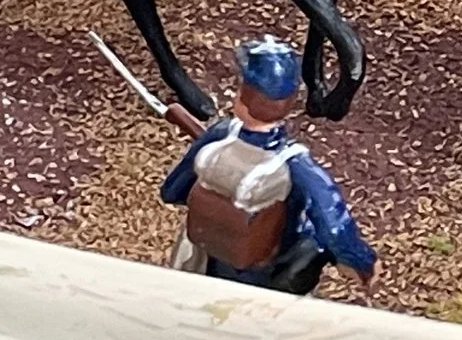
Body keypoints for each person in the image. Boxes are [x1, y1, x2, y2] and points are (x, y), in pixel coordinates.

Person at [158, 35, 375, 295]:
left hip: (214, 265)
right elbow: (335, 226)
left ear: (242, 98)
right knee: (312, 242)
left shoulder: (220, 134)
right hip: (269, 278)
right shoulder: (297, 163)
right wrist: (363, 262)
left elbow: (171, 191)